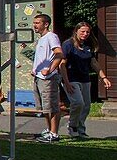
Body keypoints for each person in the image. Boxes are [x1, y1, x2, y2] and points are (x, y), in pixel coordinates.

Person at [60, 22, 112, 138]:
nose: (85, 34)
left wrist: (103, 77)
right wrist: (66, 82)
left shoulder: (88, 45)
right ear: (76, 31)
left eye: (87, 32)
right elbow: (62, 64)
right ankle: (72, 126)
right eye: (82, 31)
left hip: (85, 79)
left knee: (86, 106)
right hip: (71, 78)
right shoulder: (68, 45)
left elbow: (93, 63)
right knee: (78, 103)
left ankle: (80, 129)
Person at [30, 13, 68, 142]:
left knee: (52, 106)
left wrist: (50, 70)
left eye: (37, 23)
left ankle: (54, 133)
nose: (34, 25)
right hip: (38, 77)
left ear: (46, 24)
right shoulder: (41, 39)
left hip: (48, 78)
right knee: (44, 108)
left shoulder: (51, 37)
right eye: (34, 23)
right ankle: (49, 130)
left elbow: (59, 54)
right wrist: (35, 70)